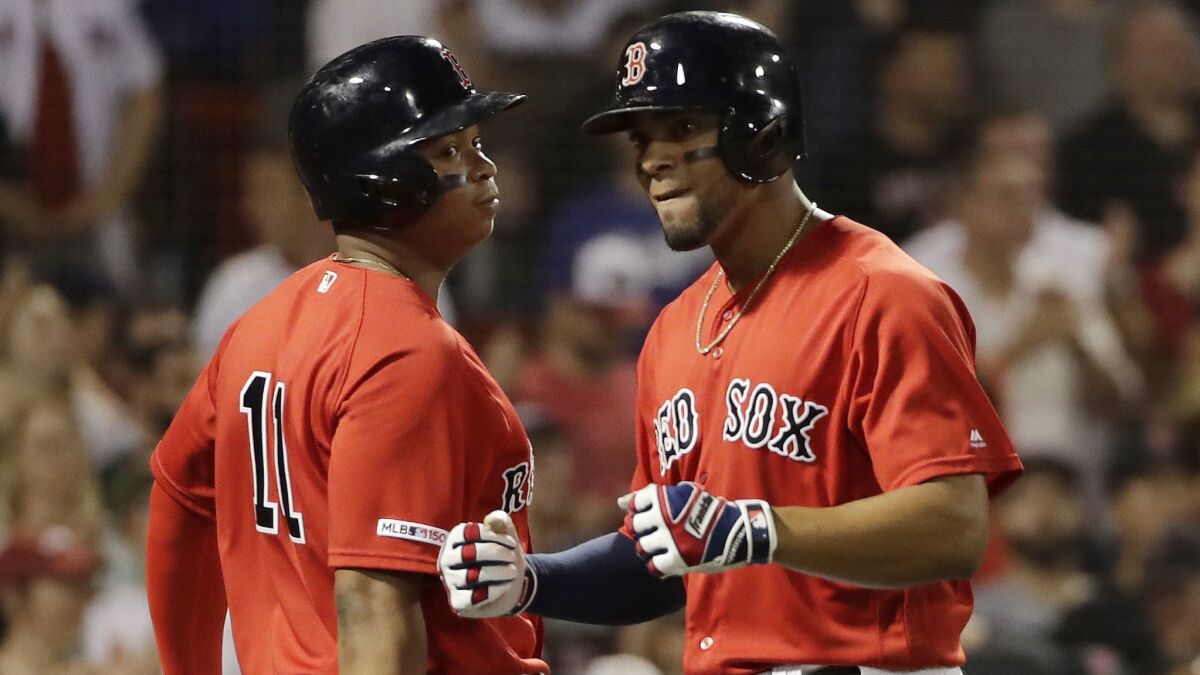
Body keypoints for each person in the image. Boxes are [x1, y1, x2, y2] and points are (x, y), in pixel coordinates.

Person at [439, 11, 1023, 675]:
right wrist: (532, 579)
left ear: (763, 133)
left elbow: (954, 526)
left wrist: (762, 528)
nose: (652, 159)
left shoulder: (883, 294)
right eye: (641, 138)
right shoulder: (673, 329)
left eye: (681, 129)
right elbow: (663, 552)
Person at [146, 36, 547, 674]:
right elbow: (371, 609)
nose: (483, 168)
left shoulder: (262, 323)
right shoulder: (409, 349)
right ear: (381, 180)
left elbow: (179, 500)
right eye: (448, 152)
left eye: (476, 145)